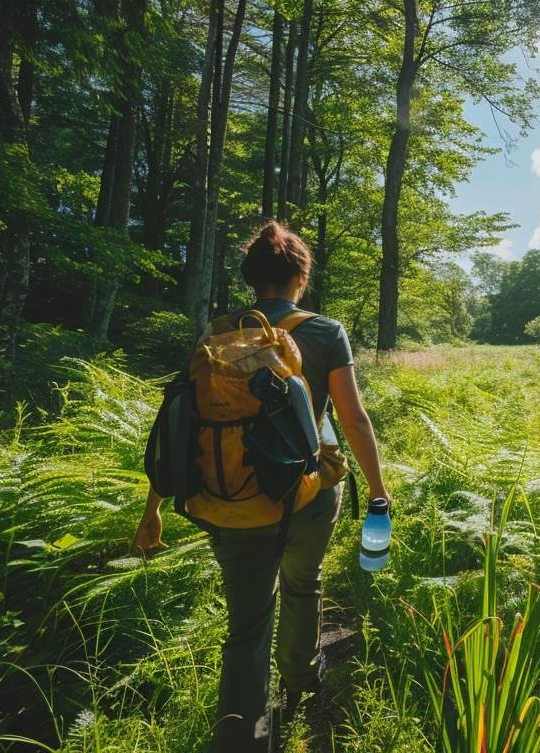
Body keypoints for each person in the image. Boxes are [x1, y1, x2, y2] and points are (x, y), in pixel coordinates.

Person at [132, 220, 390, 752]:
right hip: (309, 492)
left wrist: (153, 506)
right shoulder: (323, 331)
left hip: (231, 498)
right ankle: (300, 681)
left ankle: (243, 737)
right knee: (303, 583)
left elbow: (179, 419)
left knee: (246, 627)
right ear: (301, 275)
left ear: (253, 278)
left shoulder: (218, 332)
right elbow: (355, 418)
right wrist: (379, 488)